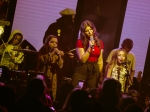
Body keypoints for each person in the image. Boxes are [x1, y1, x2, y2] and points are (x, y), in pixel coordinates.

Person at [43, 8, 76, 79]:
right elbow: (45, 41)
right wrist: (56, 50)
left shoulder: (70, 28)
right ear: (67, 18)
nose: (73, 19)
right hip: (52, 58)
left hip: (64, 58)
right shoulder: (54, 26)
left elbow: (69, 44)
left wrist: (69, 52)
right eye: (72, 18)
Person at [71, 20, 104, 88]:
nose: (89, 32)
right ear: (83, 32)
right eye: (87, 31)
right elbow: (83, 59)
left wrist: (101, 75)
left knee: (91, 91)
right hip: (83, 68)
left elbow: (100, 60)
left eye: (91, 29)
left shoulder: (100, 42)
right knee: (77, 89)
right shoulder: (80, 42)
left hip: (94, 69)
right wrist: (89, 48)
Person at [37, 35, 64, 102]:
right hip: (43, 74)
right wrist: (52, 53)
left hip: (53, 76)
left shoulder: (56, 52)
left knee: (51, 94)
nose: (54, 44)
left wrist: (59, 56)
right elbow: (43, 61)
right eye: (52, 42)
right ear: (47, 42)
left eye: (56, 43)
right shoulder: (42, 50)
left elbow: (60, 65)